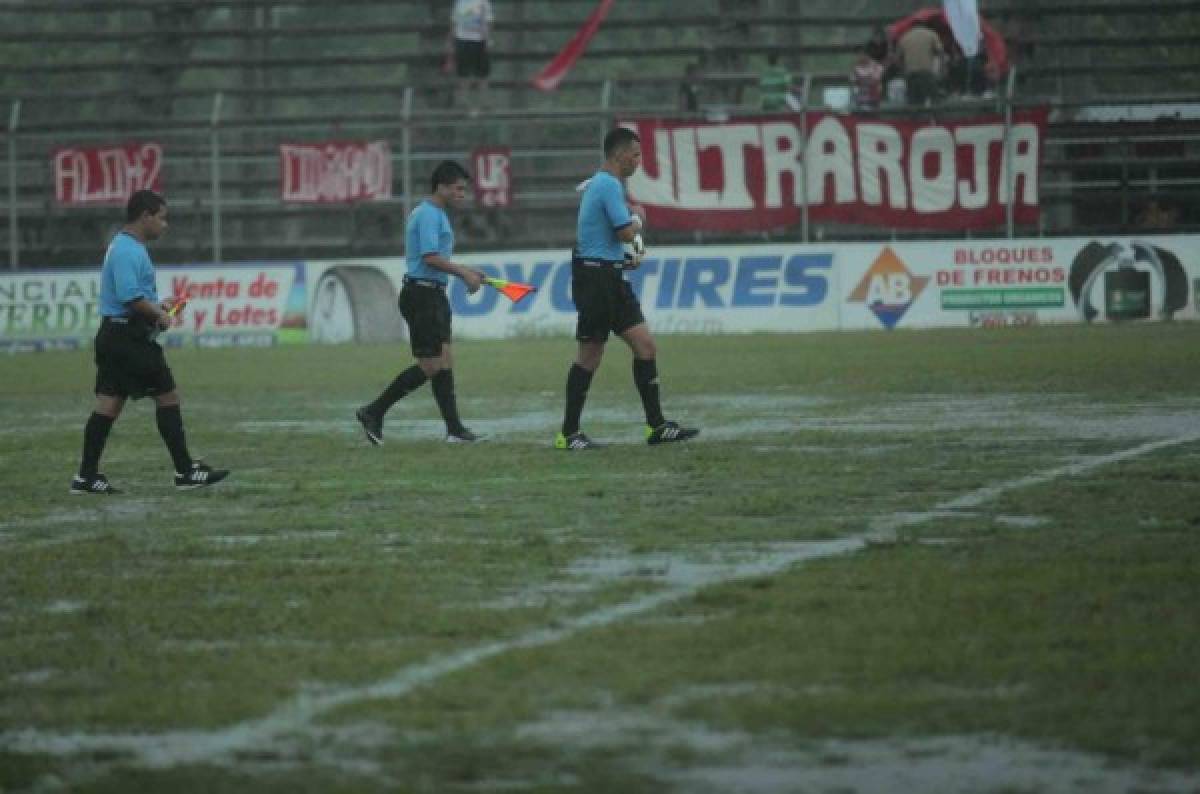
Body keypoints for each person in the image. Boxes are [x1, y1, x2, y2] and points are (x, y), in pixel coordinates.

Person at [71, 189, 228, 495]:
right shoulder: (129, 251)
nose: (164, 225)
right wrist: (161, 315)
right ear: (145, 216)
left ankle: (85, 477)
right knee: (167, 396)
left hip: (115, 335)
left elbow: (133, 296)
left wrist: (159, 304)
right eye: (161, 218)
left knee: (109, 405)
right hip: (128, 338)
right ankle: (185, 472)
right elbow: (131, 299)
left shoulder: (124, 247)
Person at [556, 127, 699, 450]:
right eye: (635, 154)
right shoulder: (607, 184)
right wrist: (639, 218)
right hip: (595, 280)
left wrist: (622, 260)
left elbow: (604, 238)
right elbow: (623, 232)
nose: (638, 161)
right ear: (619, 155)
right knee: (590, 354)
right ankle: (568, 433)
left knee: (645, 345)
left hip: (609, 275)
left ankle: (657, 426)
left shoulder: (606, 184)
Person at [356, 160, 485, 446]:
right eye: (458, 189)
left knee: (445, 360)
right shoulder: (429, 215)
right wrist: (463, 273)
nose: (462, 194)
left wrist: (469, 271)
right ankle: (373, 411)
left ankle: (454, 430)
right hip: (423, 295)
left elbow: (435, 259)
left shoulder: (435, 214)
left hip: (434, 293)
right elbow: (429, 257)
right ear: (441, 186)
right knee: (431, 365)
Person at [449, 0, 493, 111]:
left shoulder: (484, 3)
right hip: (462, 40)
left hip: (479, 40)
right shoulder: (460, 3)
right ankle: (463, 101)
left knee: (483, 73)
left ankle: (485, 101)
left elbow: (487, 22)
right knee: (463, 72)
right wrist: (451, 41)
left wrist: (487, 40)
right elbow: (454, 23)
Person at [896, 22, 944, 107]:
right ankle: (935, 117)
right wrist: (942, 68)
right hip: (926, 71)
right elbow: (940, 52)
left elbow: (899, 57)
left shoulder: (905, 37)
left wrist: (903, 71)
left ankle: (915, 118)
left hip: (911, 73)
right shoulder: (931, 34)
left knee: (914, 100)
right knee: (934, 98)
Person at [850, 45, 885, 112]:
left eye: (861, 54)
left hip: (873, 96)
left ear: (867, 55)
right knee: (855, 91)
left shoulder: (876, 66)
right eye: (858, 55)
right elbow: (854, 81)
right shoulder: (854, 67)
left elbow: (875, 81)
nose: (859, 57)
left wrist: (861, 79)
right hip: (860, 95)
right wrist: (866, 79)